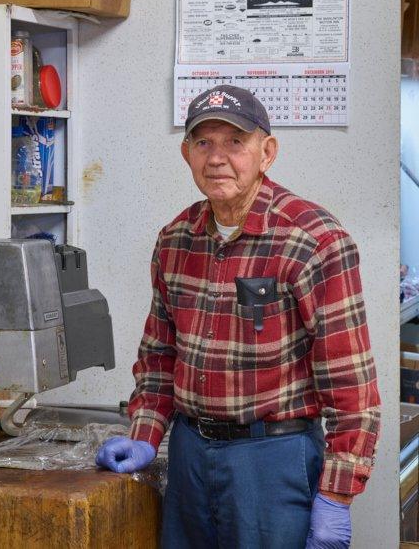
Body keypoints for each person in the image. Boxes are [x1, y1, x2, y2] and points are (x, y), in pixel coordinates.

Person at [95, 85, 380, 549]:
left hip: (273, 460)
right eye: (203, 142)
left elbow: (353, 390)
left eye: (235, 142)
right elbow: (158, 358)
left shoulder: (314, 241)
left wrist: (337, 495)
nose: (217, 158)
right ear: (186, 153)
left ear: (266, 152)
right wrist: (146, 434)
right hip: (188, 455)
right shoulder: (175, 239)